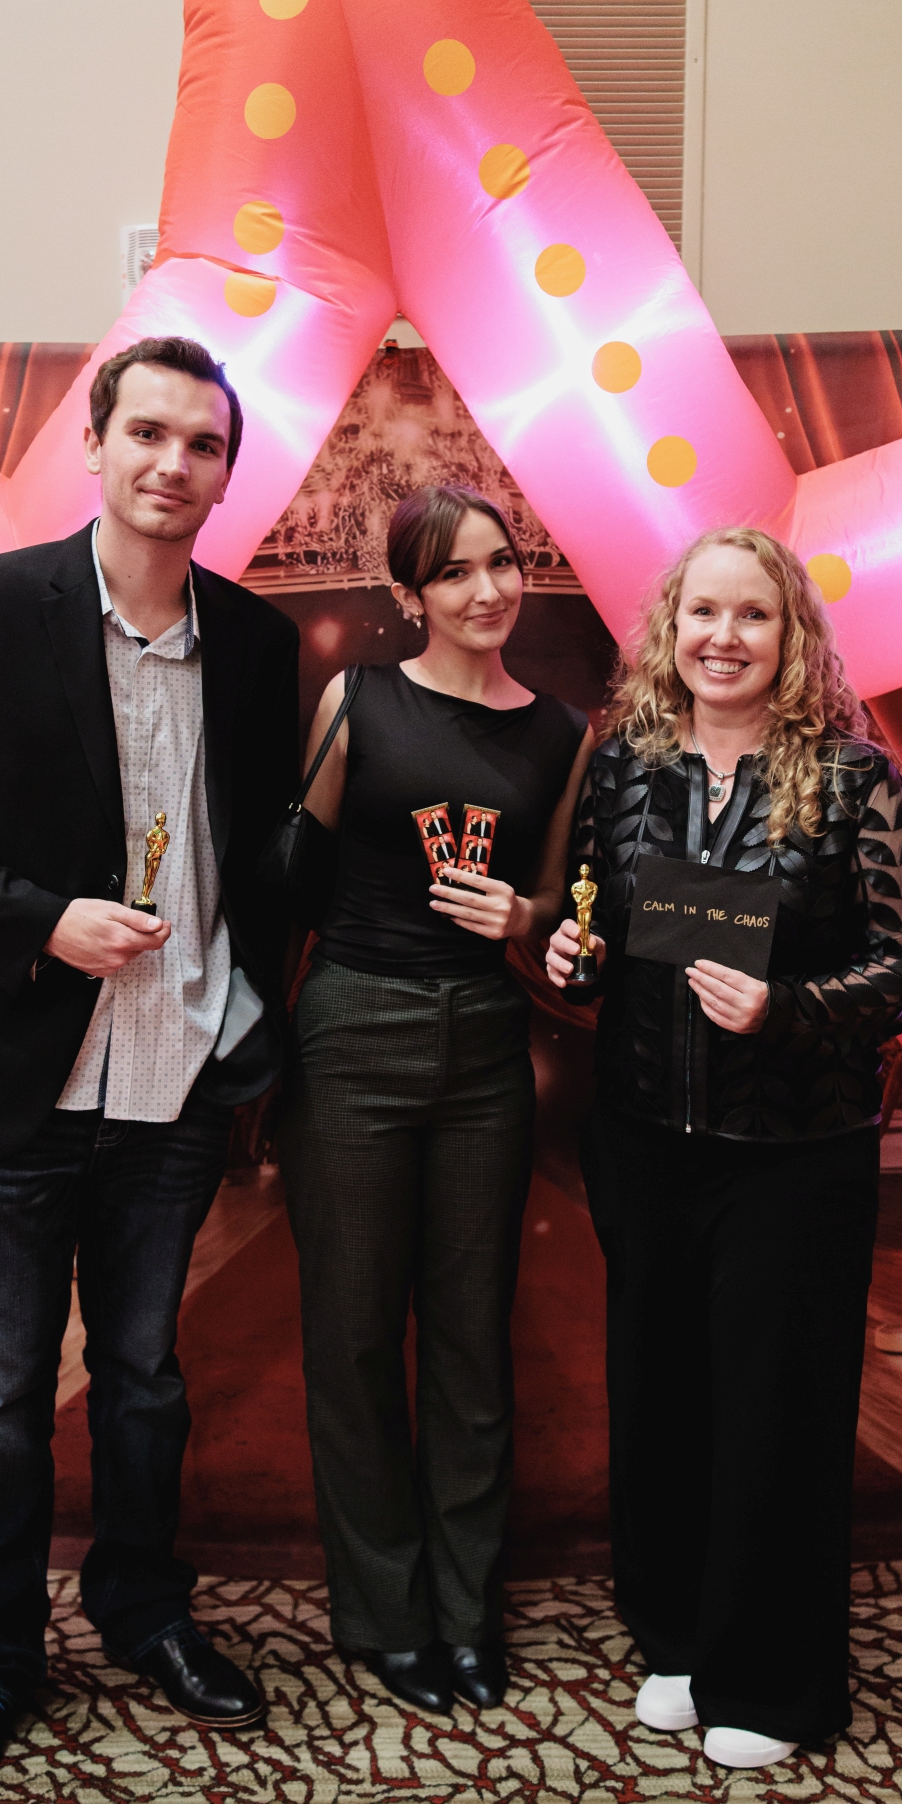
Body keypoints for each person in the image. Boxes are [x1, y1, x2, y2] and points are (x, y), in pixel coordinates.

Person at [0, 335, 299, 1804]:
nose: (176, 463)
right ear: (97, 445)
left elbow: (262, 854)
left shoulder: (257, 645)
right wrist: (46, 918)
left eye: (205, 444)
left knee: (144, 1383)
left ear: (226, 475)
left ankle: (142, 1608)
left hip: (176, 1076)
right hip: (15, 1079)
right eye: (151, 433)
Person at [546, 526, 902, 1770]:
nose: (723, 636)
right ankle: (677, 1637)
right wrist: (574, 957)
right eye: (702, 612)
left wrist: (788, 1008)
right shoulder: (626, 767)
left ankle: (773, 1680)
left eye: (752, 614)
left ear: (791, 637)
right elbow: (594, 922)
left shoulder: (854, 778)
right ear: (669, 629)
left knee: (774, 1410)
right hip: (642, 1142)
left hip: (793, 1152)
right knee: (659, 1396)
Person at [281, 484, 595, 1715]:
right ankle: (385, 1610)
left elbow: (557, 906)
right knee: (354, 1332)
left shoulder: (560, 730)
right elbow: (297, 877)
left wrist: (526, 916)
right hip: (351, 1025)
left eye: (500, 562)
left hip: (483, 1045)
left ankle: (466, 1609)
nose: (486, 589)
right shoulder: (355, 699)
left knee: (471, 1337)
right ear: (409, 594)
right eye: (454, 571)